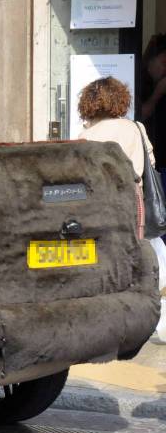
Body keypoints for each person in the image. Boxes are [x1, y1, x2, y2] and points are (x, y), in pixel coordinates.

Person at [77, 76, 166, 338]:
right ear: (120, 100)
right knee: (146, 258)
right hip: (134, 205)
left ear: (89, 103)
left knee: (107, 263)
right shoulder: (136, 128)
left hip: (100, 208)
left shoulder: (87, 134)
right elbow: (149, 160)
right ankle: (155, 320)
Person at [139, 33, 166, 124]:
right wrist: (157, 93)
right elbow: (138, 116)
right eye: (164, 63)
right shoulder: (139, 82)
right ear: (151, 60)